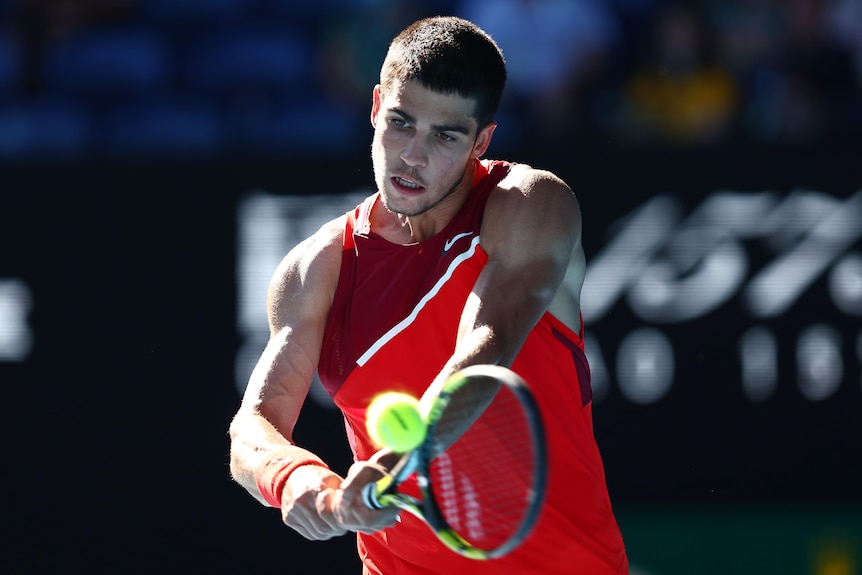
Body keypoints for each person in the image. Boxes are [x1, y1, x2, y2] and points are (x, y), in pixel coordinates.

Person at [229, 16, 628, 575]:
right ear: (374, 108)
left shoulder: (529, 203)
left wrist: (400, 460)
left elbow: (485, 350)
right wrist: (298, 479)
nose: (412, 156)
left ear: (481, 141)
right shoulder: (315, 267)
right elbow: (254, 424)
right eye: (400, 122)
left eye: (445, 136)